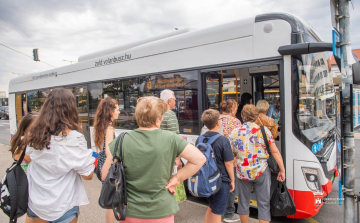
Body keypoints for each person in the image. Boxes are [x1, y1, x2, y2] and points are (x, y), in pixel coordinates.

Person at [102, 96, 205, 223]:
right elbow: (199, 159)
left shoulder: (122, 139)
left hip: (130, 211)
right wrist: (176, 179)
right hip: (162, 211)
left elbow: (104, 174)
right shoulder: (171, 138)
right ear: (157, 121)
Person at [25, 88, 95, 223]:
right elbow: (88, 175)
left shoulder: (34, 134)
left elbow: (29, 158)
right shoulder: (75, 138)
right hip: (64, 203)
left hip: (37, 202)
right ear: (71, 109)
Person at [230, 104, 285, 223]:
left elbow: (232, 154)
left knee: (243, 202)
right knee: (264, 203)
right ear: (256, 117)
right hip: (262, 171)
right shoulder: (263, 130)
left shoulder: (235, 132)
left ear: (243, 117)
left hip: (243, 172)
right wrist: (282, 170)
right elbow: (275, 151)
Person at [195, 109, 234, 223]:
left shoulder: (200, 139)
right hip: (220, 181)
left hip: (206, 180)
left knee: (212, 207)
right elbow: (228, 163)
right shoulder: (223, 140)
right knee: (218, 212)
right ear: (218, 123)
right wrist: (232, 180)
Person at [93, 96, 120, 223]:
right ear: (110, 112)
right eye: (117, 109)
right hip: (108, 168)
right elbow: (110, 152)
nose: (119, 112)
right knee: (112, 202)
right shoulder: (109, 129)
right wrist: (107, 171)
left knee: (111, 199)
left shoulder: (101, 127)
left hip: (102, 164)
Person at [159, 89, 186, 202]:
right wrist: (177, 158)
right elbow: (174, 137)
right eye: (175, 99)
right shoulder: (169, 114)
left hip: (160, 154)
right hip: (168, 155)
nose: (175, 102)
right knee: (171, 182)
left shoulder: (158, 113)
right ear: (169, 101)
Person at [9, 113, 36, 223]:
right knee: (32, 212)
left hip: (24, 183)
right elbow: (37, 161)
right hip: (28, 184)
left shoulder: (20, 142)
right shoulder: (25, 145)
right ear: (27, 129)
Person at [218, 100, 242, 223]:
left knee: (218, 184)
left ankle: (217, 211)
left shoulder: (214, 120)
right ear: (232, 110)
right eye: (236, 108)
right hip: (230, 160)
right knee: (231, 186)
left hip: (215, 160)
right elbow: (239, 142)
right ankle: (229, 213)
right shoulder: (235, 122)